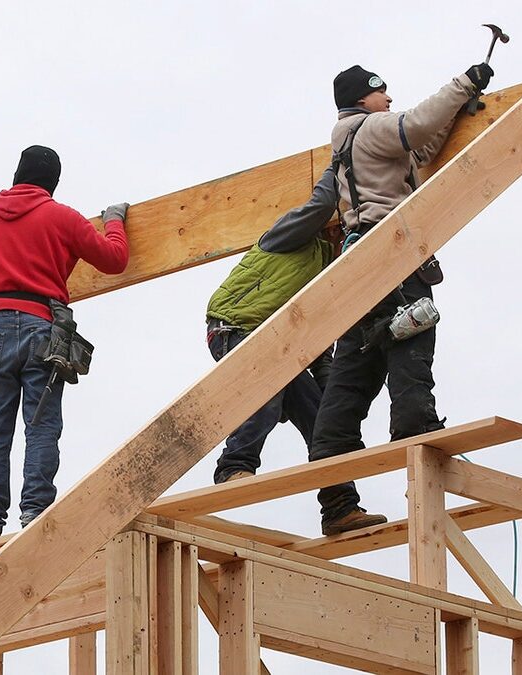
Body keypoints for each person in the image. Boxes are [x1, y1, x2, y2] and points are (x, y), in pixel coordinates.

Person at [309, 62, 494, 536]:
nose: (388, 98)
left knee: (352, 372)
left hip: (357, 266)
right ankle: (417, 441)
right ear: (360, 98)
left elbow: (424, 146)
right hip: (390, 253)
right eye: (380, 92)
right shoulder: (370, 128)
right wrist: (464, 84)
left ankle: (337, 503)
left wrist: (458, 112)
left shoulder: (350, 139)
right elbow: (416, 124)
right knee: (411, 339)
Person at [0, 145, 131, 542]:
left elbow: (17, 252)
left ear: (17, 174)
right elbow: (114, 259)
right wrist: (114, 221)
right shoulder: (61, 217)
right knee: (41, 426)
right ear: (53, 184)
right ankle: (36, 513)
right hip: (41, 327)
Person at [205, 166, 339, 483]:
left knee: (324, 422)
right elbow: (320, 205)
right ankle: (233, 466)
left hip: (281, 347)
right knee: (267, 389)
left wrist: (330, 396)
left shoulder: (329, 270)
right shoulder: (292, 233)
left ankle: (339, 504)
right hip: (234, 326)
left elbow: (320, 344)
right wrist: (339, 163)